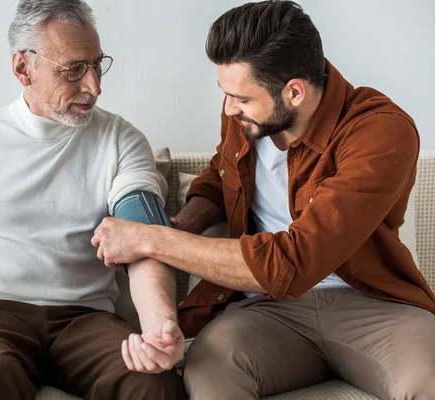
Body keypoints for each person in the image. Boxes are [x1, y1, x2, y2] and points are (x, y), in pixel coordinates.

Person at [91, 1, 435, 399]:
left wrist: (151, 239)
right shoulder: (245, 117)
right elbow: (221, 180)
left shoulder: (380, 132)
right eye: (226, 93)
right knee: (208, 373)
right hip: (266, 311)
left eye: (240, 98)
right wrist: (181, 226)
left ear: (294, 92)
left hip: (371, 305)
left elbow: (294, 261)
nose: (228, 108)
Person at [0, 1, 185, 399]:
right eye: (74, 69)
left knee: (154, 385)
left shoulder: (121, 140)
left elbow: (146, 237)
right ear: (22, 68)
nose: (94, 86)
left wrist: (158, 326)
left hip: (86, 318)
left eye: (98, 65)